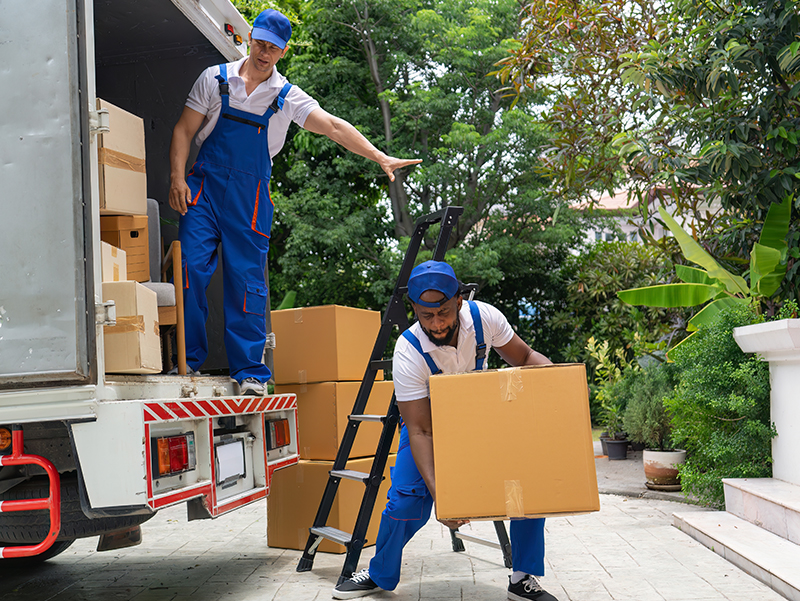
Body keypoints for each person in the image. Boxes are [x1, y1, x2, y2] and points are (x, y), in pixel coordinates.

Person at [168, 9, 420, 394]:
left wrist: (380, 157)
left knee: (246, 283)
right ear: (251, 37)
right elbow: (184, 130)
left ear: (283, 52)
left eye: (273, 48)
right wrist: (176, 178)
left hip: (249, 200)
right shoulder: (215, 79)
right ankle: (187, 362)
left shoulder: (286, 97)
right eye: (261, 43)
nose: (264, 52)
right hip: (202, 192)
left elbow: (334, 126)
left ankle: (250, 371)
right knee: (188, 271)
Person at [332, 260, 559, 601]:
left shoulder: (485, 319)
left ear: (458, 302)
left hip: (482, 423)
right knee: (405, 501)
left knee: (525, 485)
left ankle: (522, 579)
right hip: (429, 426)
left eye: (443, 313)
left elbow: (525, 357)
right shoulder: (408, 350)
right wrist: (444, 497)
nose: (436, 323)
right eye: (427, 316)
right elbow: (420, 430)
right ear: (415, 310)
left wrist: (561, 384)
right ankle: (379, 574)